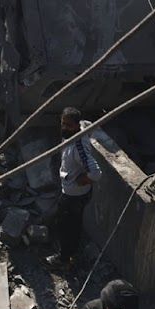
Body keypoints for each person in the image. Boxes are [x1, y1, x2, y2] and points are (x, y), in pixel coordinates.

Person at [51, 106, 103, 275]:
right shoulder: (71, 135)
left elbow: (96, 173)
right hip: (71, 191)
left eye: (68, 125)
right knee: (71, 224)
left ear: (76, 126)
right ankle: (70, 253)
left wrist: (83, 179)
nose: (64, 128)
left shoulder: (79, 147)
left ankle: (64, 259)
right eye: (63, 123)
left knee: (66, 227)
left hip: (74, 195)